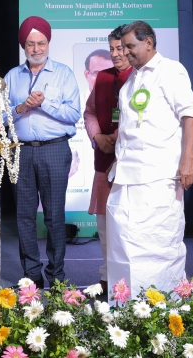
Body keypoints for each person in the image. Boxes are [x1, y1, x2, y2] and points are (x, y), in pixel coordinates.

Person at [106, 20, 193, 298]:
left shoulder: (171, 71)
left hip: (158, 174)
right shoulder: (131, 80)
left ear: (149, 43)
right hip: (125, 175)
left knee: (158, 242)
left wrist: (188, 161)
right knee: (123, 241)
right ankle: (125, 305)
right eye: (122, 47)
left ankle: (162, 304)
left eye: (130, 46)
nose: (125, 53)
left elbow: (190, 115)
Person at [4, 16, 81, 289]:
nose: (36, 48)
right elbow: (0, 117)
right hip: (20, 153)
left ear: (48, 43)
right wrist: (22, 107)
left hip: (55, 150)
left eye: (41, 43)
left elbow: (74, 114)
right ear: (23, 45)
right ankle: (32, 276)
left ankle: (57, 275)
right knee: (24, 217)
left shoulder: (63, 74)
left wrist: (44, 104)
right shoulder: (12, 76)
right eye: (31, 43)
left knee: (54, 216)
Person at [83, 25, 133, 293]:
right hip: (104, 160)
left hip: (131, 164)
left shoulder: (140, 77)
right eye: (112, 49)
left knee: (127, 227)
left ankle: (127, 279)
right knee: (104, 226)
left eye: (120, 49)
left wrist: (116, 135)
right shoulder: (102, 78)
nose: (115, 54)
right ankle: (106, 276)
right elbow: (89, 112)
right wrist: (99, 137)